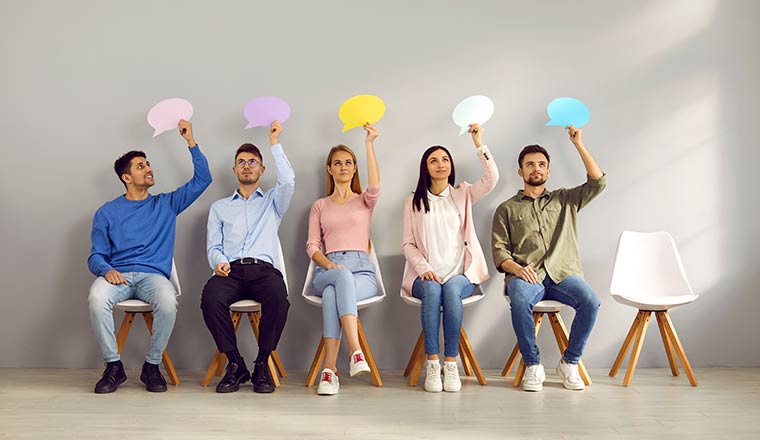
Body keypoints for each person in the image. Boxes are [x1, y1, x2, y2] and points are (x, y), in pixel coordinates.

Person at [87, 119, 212, 393]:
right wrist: (105, 269)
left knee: (167, 302)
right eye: (141, 166)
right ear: (126, 177)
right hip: (117, 276)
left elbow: (204, 180)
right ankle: (113, 367)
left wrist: (190, 141)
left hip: (152, 277)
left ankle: (151, 366)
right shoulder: (107, 212)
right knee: (97, 298)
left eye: (148, 164)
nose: (149, 169)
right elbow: (95, 256)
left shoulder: (166, 204)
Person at [491, 125, 606, 392]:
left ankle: (570, 362)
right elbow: (499, 251)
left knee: (590, 301)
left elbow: (598, 181)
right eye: (529, 164)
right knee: (519, 299)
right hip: (527, 275)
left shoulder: (566, 199)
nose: (536, 169)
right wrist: (517, 270)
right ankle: (532, 364)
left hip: (564, 274)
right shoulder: (506, 209)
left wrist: (578, 144)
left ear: (548, 171)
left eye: (541, 164)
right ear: (520, 171)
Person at [401, 123, 499, 393]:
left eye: (445, 159)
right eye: (434, 160)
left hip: (461, 274)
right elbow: (407, 243)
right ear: (426, 168)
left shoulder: (463, 193)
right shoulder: (413, 201)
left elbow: (491, 180)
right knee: (433, 290)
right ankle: (433, 364)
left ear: (451, 166)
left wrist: (479, 143)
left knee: (452, 288)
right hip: (426, 276)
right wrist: (423, 269)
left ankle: (451, 364)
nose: (440, 164)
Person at [200, 121, 294, 394]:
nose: (246, 166)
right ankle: (235, 363)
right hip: (231, 272)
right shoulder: (219, 208)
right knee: (210, 298)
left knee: (279, 298)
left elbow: (288, 180)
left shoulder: (273, 202)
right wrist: (217, 261)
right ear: (234, 170)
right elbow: (212, 245)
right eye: (241, 162)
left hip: (264, 272)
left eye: (253, 161)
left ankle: (262, 363)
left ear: (262, 169)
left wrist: (274, 143)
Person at [306, 123, 380, 396]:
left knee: (331, 296)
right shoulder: (319, 206)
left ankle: (329, 371)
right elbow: (312, 245)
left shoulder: (365, 201)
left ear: (355, 167)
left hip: (362, 273)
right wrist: (328, 264)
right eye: (337, 163)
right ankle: (355, 351)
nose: (344, 167)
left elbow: (375, 184)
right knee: (339, 278)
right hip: (328, 268)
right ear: (330, 169)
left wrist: (369, 144)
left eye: (349, 163)